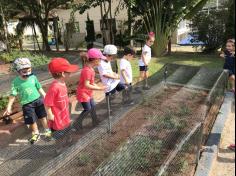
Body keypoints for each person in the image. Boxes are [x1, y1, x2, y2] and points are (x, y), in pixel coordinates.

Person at [3, 58, 51, 144]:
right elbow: (13, 95)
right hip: (27, 104)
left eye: (29, 70)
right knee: (31, 120)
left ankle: (47, 131)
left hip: (38, 100)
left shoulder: (33, 77)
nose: (28, 73)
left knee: (43, 116)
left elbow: (38, 86)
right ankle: (36, 134)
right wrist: (9, 107)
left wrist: (44, 94)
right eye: (24, 72)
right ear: (18, 71)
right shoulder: (15, 82)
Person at [44, 58, 79, 139]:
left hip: (64, 114)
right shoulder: (54, 87)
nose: (70, 74)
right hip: (57, 118)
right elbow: (47, 103)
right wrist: (50, 115)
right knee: (59, 135)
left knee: (65, 130)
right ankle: (58, 149)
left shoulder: (62, 83)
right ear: (63, 73)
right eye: (69, 72)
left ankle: (65, 142)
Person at [75, 48, 107, 130]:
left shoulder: (91, 69)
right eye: (100, 59)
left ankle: (95, 122)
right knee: (87, 109)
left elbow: (91, 83)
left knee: (93, 108)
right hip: (83, 93)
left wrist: (98, 87)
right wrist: (99, 88)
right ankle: (76, 124)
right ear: (95, 60)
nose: (101, 61)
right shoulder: (87, 71)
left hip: (88, 93)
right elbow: (87, 85)